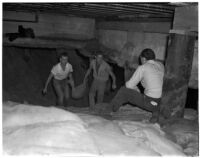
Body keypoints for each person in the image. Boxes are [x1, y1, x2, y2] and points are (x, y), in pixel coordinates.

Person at [110, 48, 165, 122]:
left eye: (141, 58)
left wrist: (136, 89)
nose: (140, 61)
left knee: (124, 90)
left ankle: (110, 109)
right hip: (159, 101)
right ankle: (155, 113)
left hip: (149, 102)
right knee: (153, 92)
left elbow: (129, 85)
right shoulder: (160, 65)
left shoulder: (142, 67)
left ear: (143, 59)